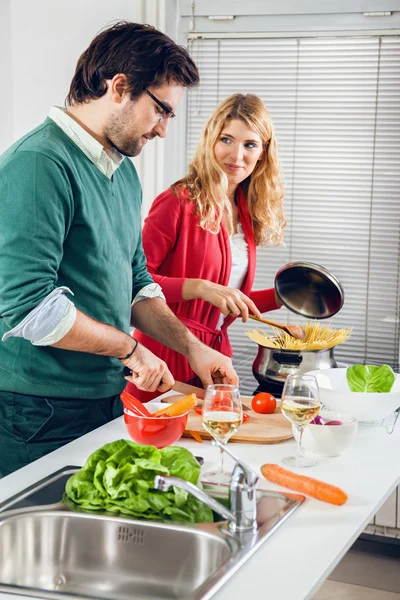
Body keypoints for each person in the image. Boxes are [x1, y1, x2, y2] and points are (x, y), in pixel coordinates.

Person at [0, 22, 238, 477]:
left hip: (102, 400)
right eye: (161, 111)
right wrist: (130, 350)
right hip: (34, 411)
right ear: (120, 86)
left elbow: (136, 282)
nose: (164, 131)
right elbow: (31, 310)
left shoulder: (121, 172)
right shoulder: (38, 166)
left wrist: (192, 349)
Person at [127, 93, 286, 403]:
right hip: (163, 360)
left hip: (214, 362)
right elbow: (135, 283)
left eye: (249, 144)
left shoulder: (243, 211)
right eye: (227, 139)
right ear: (211, 140)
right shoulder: (177, 202)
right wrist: (200, 287)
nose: (236, 156)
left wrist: (282, 298)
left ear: (263, 152)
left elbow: (225, 298)